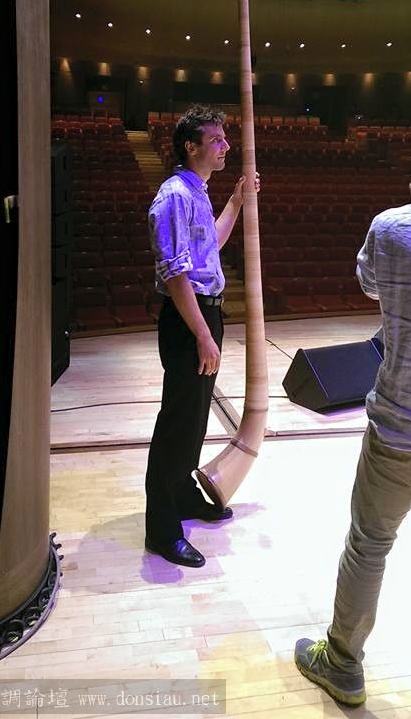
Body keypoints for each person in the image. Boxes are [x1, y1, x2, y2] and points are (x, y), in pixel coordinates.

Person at [294, 96, 411, 719]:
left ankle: (342, 664)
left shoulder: (393, 227)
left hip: (402, 427)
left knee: (369, 544)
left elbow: (370, 282)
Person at [145, 104, 259, 568]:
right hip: (187, 321)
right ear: (191, 147)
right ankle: (161, 529)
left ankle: (182, 494)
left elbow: (210, 242)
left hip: (203, 318)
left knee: (194, 421)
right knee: (178, 423)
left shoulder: (197, 192)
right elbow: (176, 275)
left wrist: (236, 201)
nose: (226, 145)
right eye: (216, 139)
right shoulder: (174, 195)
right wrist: (202, 335)